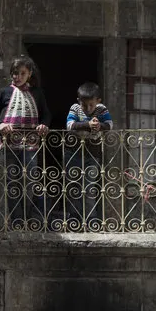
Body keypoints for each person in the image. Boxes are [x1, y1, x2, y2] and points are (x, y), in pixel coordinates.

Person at [0, 56, 52, 229]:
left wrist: (43, 126)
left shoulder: (37, 93)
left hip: (31, 144)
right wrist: (0, 124)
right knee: (13, 182)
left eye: (22, 73)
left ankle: (29, 220)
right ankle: (16, 222)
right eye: (15, 73)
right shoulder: (4, 92)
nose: (18, 76)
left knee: (30, 181)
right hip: (10, 144)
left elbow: (46, 114)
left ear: (29, 74)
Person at [65, 82, 114, 229]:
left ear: (98, 101)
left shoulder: (101, 109)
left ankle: (91, 219)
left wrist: (99, 125)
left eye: (91, 105)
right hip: (73, 153)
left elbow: (110, 124)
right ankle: (74, 219)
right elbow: (70, 125)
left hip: (92, 154)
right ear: (79, 101)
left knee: (90, 187)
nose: (87, 109)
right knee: (74, 187)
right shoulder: (75, 108)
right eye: (84, 105)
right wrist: (87, 125)